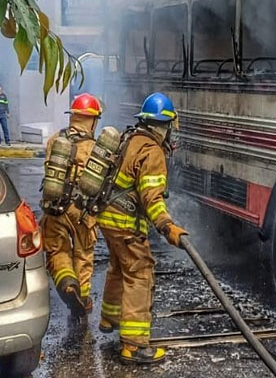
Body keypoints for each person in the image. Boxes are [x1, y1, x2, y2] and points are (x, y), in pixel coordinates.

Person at [96, 92, 187, 365]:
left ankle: (110, 318)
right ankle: (134, 346)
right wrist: (168, 227)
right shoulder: (153, 151)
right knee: (140, 273)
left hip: (107, 218)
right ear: (163, 125)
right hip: (124, 223)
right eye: (170, 126)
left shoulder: (131, 139)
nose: (172, 134)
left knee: (119, 266)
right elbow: (151, 198)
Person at [41, 94, 102, 319]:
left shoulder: (55, 141)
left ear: (73, 117)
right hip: (81, 211)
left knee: (57, 250)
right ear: (92, 120)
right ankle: (84, 300)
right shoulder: (96, 150)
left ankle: (68, 285)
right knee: (83, 254)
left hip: (54, 207)